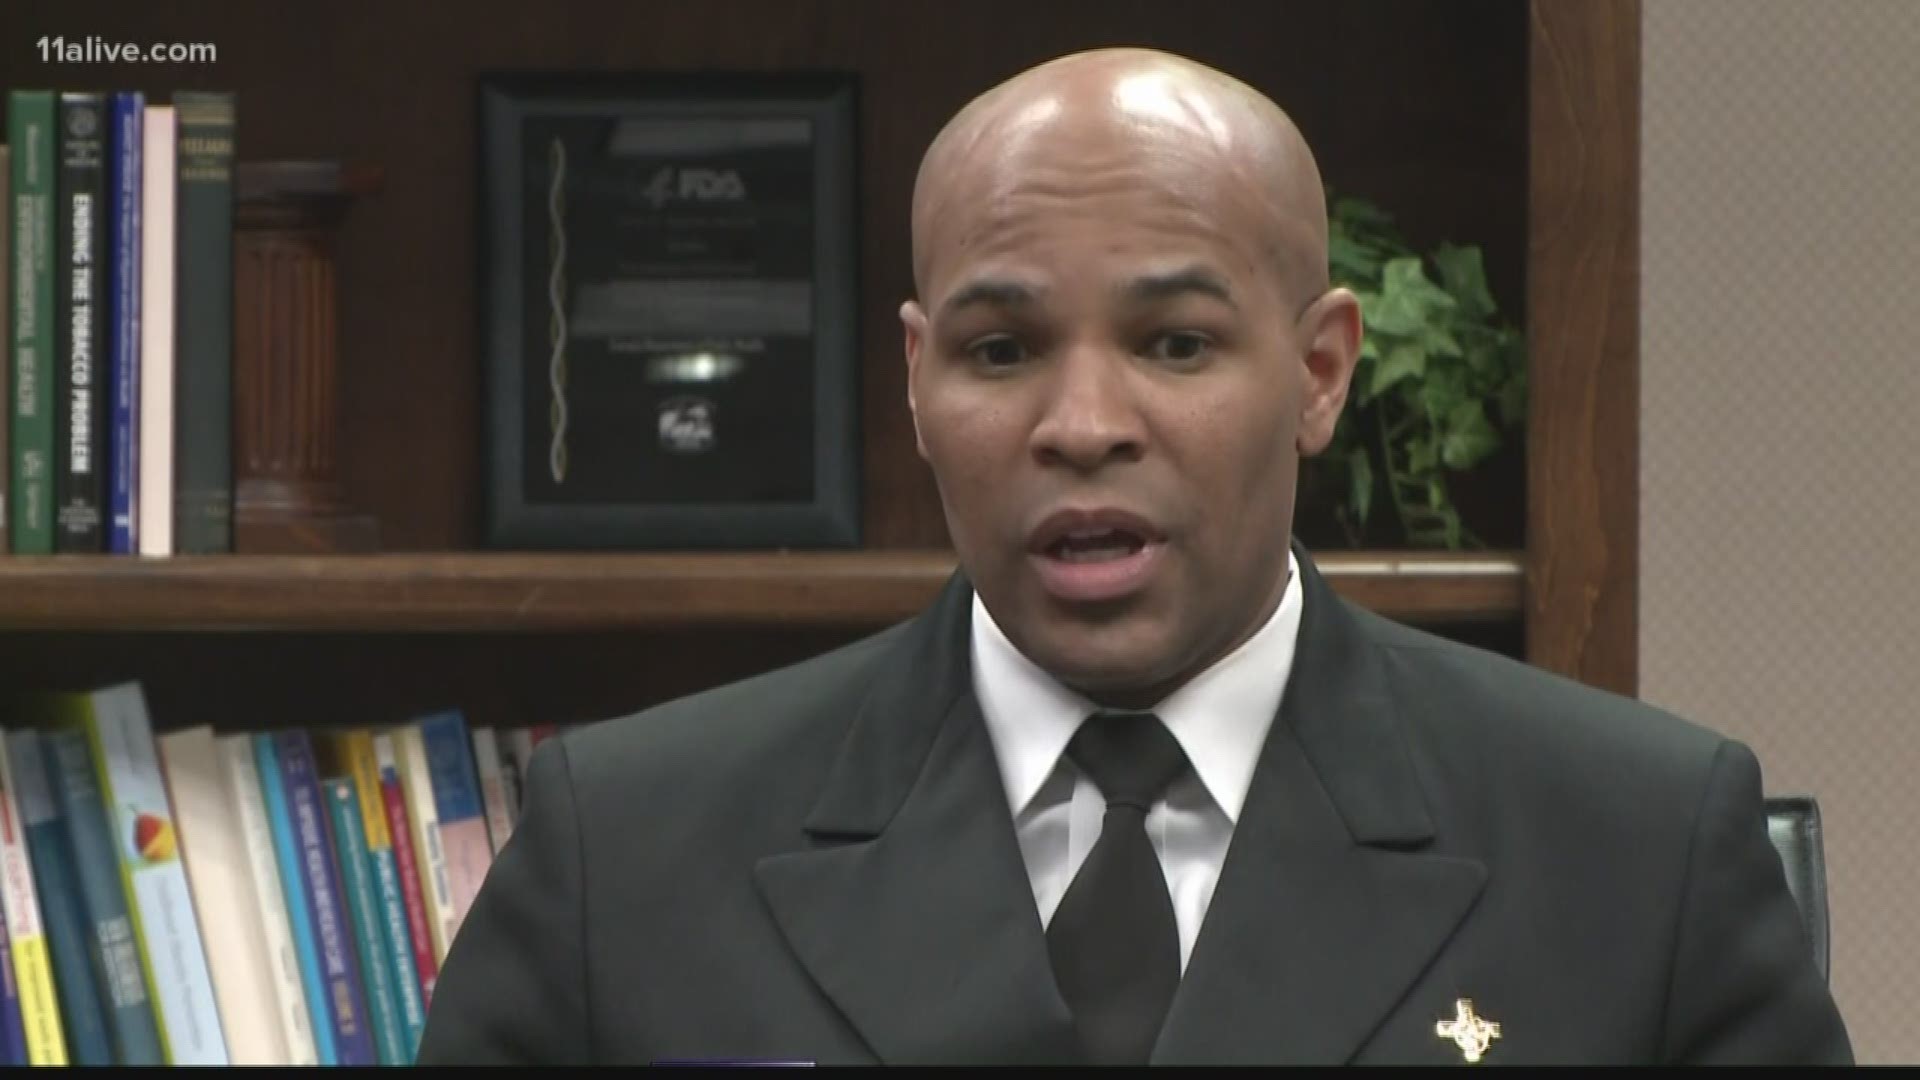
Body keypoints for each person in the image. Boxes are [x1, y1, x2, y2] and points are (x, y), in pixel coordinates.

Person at [415, 47, 1852, 1065]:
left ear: (1319, 370)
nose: (1083, 425)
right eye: (1001, 350)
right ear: (916, 383)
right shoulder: (631, 846)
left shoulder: (1642, 848)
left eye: (1174, 343)